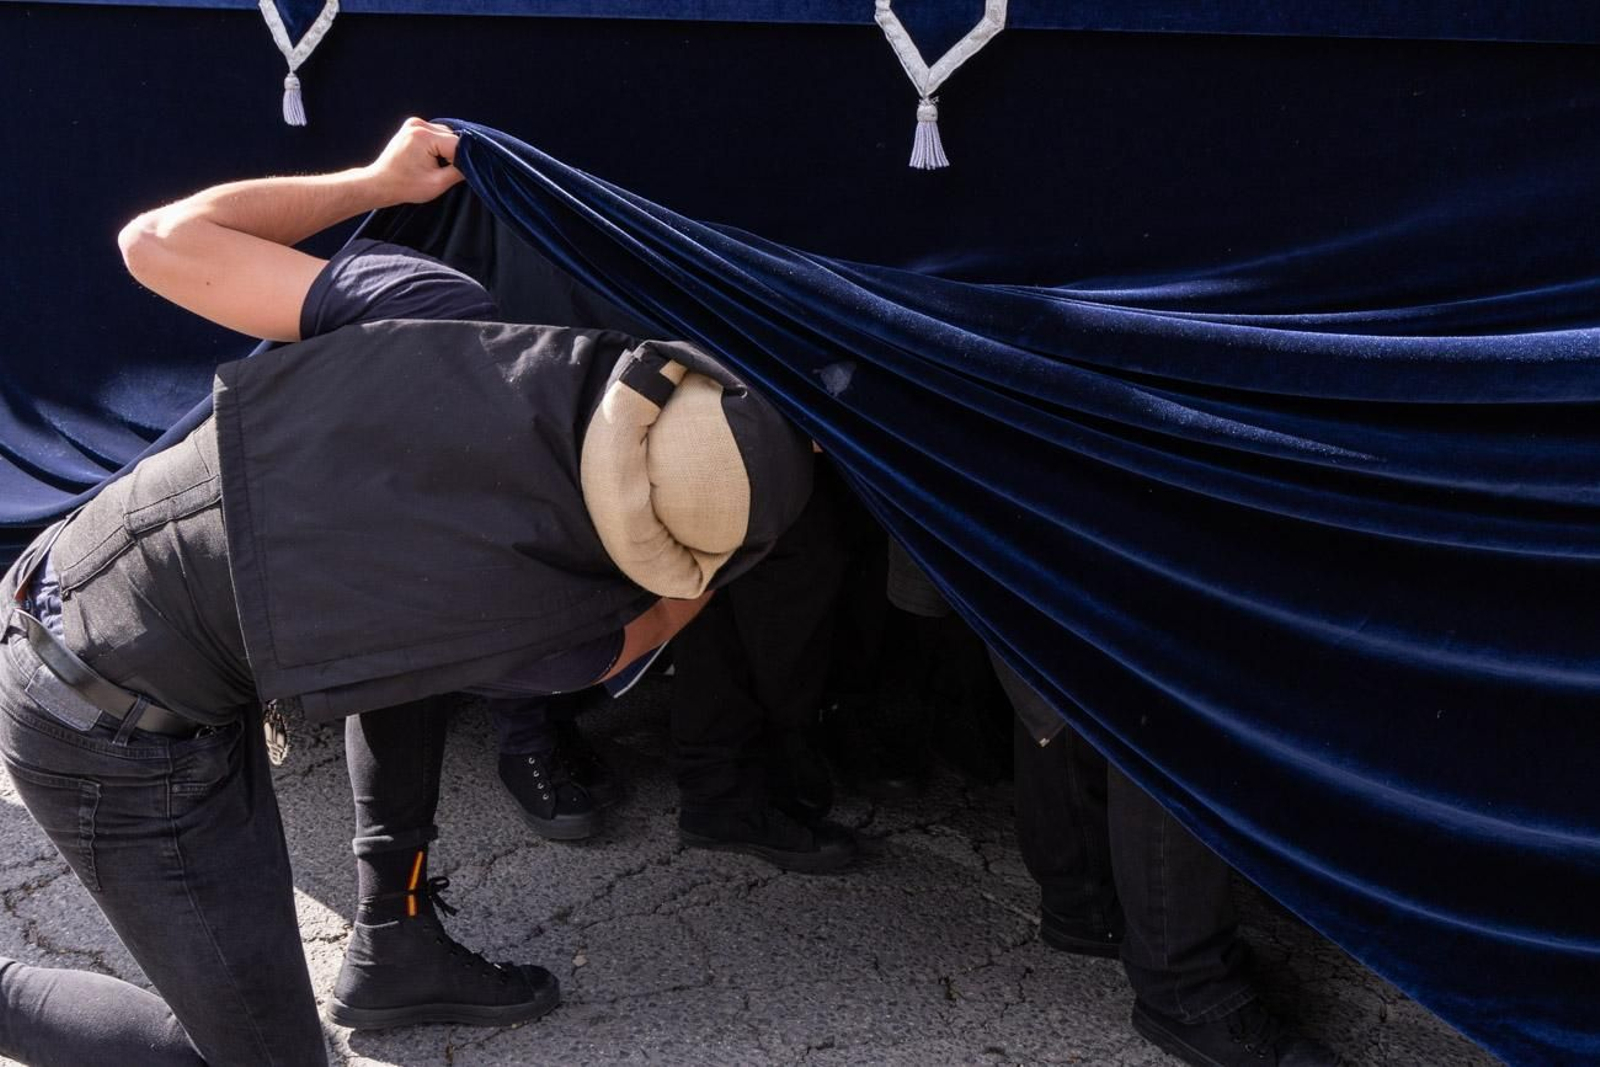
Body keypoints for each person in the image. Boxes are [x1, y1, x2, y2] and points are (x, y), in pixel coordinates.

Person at [0, 118, 815, 1066]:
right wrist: (724, 549)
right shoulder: (552, 623)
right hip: (99, 723)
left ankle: (396, 937)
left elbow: (160, 239)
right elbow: (659, 620)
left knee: (416, 633)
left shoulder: (441, 313)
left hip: (111, 607)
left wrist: (373, 181)